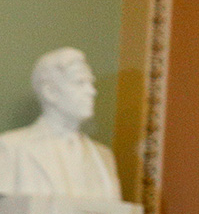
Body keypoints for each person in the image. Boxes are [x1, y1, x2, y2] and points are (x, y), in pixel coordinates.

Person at [0, 47, 121, 199]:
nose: (92, 91)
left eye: (91, 83)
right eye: (80, 82)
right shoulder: (11, 148)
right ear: (50, 92)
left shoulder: (103, 157)